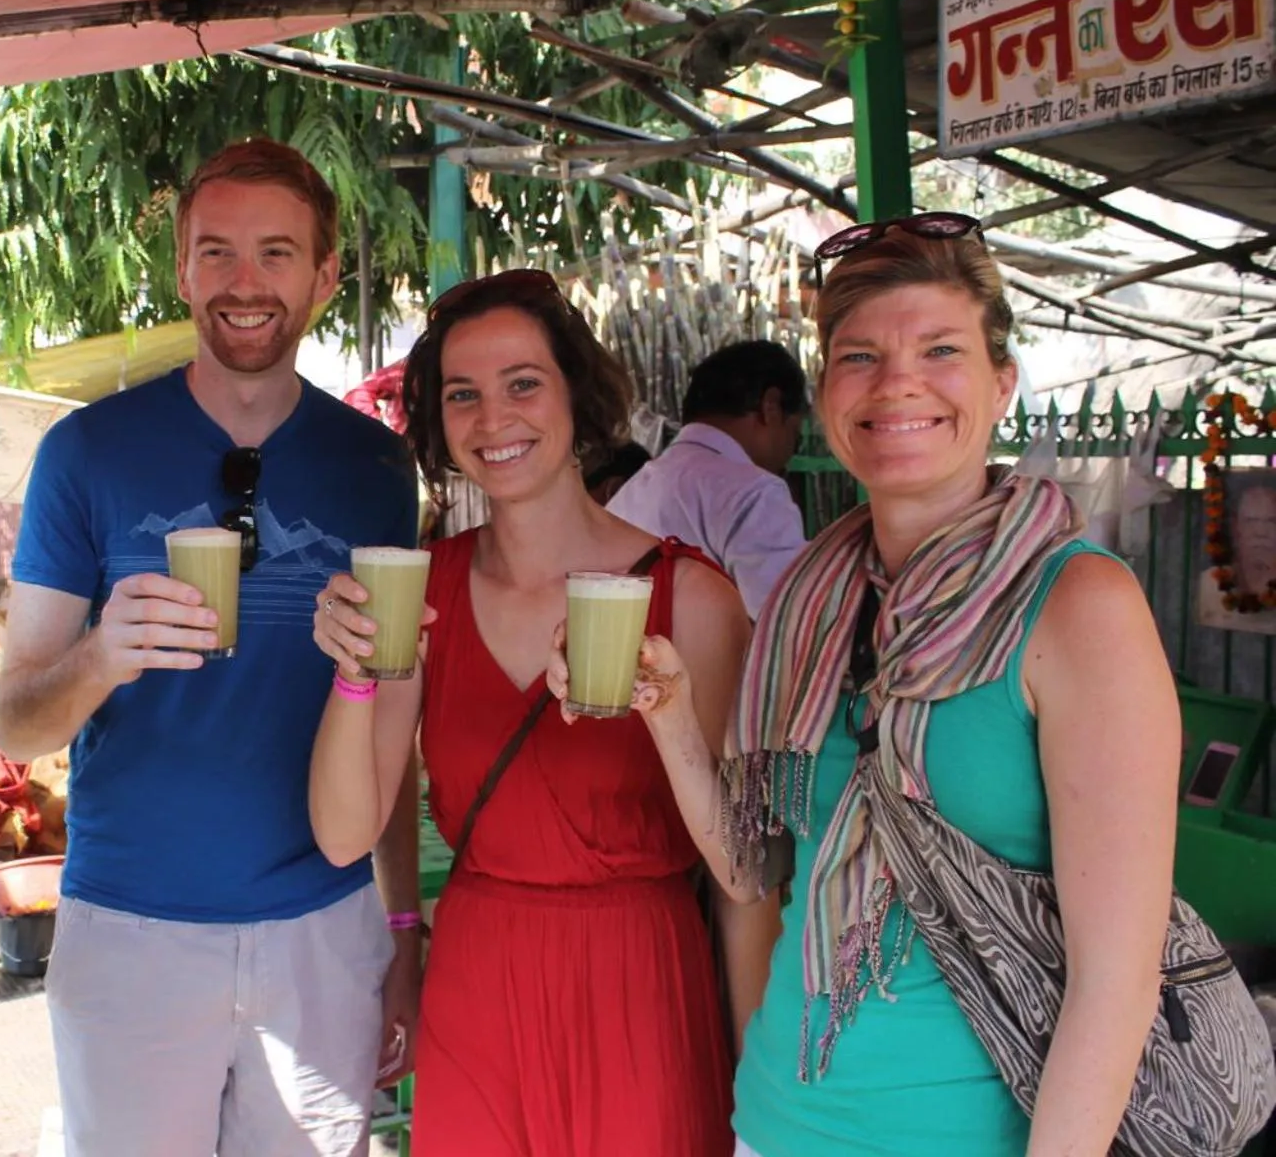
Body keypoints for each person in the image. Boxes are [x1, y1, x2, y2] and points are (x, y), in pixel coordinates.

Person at [622, 215, 1178, 1157]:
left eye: (940, 350)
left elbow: (1115, 980)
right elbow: (754, 873)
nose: (897, 383)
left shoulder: (1079, 607)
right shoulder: (809, 599)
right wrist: (672, 715)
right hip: (776, 1125)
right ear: (827, 391)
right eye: (859, 356)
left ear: (1002, 383)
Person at [0, 139, 421, 1157]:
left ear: (322, 275)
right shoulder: (86, 452)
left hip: (321, 923)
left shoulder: (376, 466)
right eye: (216, 251)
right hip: (129, 926)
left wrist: (401, 928)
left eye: (276, 252)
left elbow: (389, 719)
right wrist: (100, 654)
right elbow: (13, 722)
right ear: (181, 270)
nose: (244, 282)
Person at [309, 269, 780, 1156]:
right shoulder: (425, 590)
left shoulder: (694, 598)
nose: (494, 419)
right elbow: (344, 836)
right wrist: (352, 674)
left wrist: (758, 1071)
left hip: (642, 985)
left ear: (578, 397)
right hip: (478, 985)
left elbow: (747, 872)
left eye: (523, 383)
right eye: (463, 395)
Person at [608, 339, 809, 618]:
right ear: (771, 407)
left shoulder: (630, 493)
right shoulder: (754, 492)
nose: (788, 453)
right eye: (795, 436)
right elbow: (786, 624)